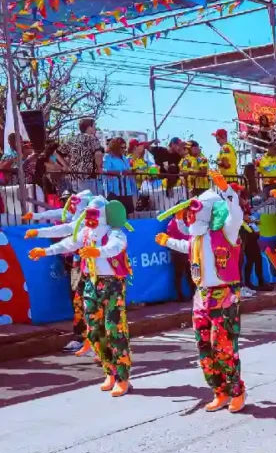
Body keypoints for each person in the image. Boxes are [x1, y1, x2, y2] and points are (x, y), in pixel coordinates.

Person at [155, 172, 248, 413]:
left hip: (224, 295)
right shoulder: (197, 239)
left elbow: (236, 215)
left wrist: (226, 191)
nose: (191, 214)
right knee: (204, 347)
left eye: (196, 209)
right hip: (201, 296)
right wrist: (167, 241)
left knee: (224, 346)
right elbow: (187, 247)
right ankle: (219, 391)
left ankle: (236, 390)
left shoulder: (226, 232)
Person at [30, 197, 133, 397]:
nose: (90, 219)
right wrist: (45, 250)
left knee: (115, 331)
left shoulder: (114, 233)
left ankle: (123, 377)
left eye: (94, 215)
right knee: (94, 331)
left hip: (112, 285)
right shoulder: (85, 233)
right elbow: (67, 243)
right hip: (91, 283)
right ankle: (109, 372)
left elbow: (116, 247)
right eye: (88, 215)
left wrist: (98, 252)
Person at [23, 189, 97, 355]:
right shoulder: (79, 224)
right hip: (81, 265)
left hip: (103, 273)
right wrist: (41, 238)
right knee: (80, 301)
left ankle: (102, 344)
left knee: (99, 305)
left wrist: (100, 253)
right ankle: (83, 339)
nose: (69, 205)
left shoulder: (103, 226)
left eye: (73, 202)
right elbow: (67, 236)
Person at [66, 118, 103, 193]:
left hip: (74, 176)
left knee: (79, 201)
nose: (95, 128)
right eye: (94, 126)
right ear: (89, 127)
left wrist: (66, 166)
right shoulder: (92, 138)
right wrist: (99, 167)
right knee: (92, 202)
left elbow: (58, 152)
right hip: (88, 176)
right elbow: (98, 154)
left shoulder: (73, 139)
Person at [101, 137, 137, 212]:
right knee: (115, 214)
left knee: (129, 213)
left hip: (127, 191)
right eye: (122, 147)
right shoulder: (108, 157)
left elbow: (127, 169)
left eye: (125, 147)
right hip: (113, 192)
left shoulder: (124, 158)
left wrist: (130, 171)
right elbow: (104, 171)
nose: (124, 149)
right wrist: (118, 173)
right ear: (116, 147)